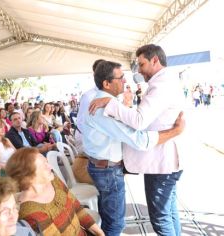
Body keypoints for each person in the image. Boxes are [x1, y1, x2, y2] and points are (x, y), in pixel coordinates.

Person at [89, 45, 185, 235]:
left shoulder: (161, 85)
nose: (138, 71)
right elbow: (141, 126)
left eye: (141, 64)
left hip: (161, 161)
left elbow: (140, 121)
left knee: (161, 217)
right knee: (168, 213)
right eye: (120, 77)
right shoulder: (163, 82)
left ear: (155, 60)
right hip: (160, 160)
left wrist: (112, 104)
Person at [5, 147, 104, 236]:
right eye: (44, 166)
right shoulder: (30, 211)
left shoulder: (53, 180)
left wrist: (98, 232)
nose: (50, 167)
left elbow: (76, 206)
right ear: (28, 177)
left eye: (47, 162)